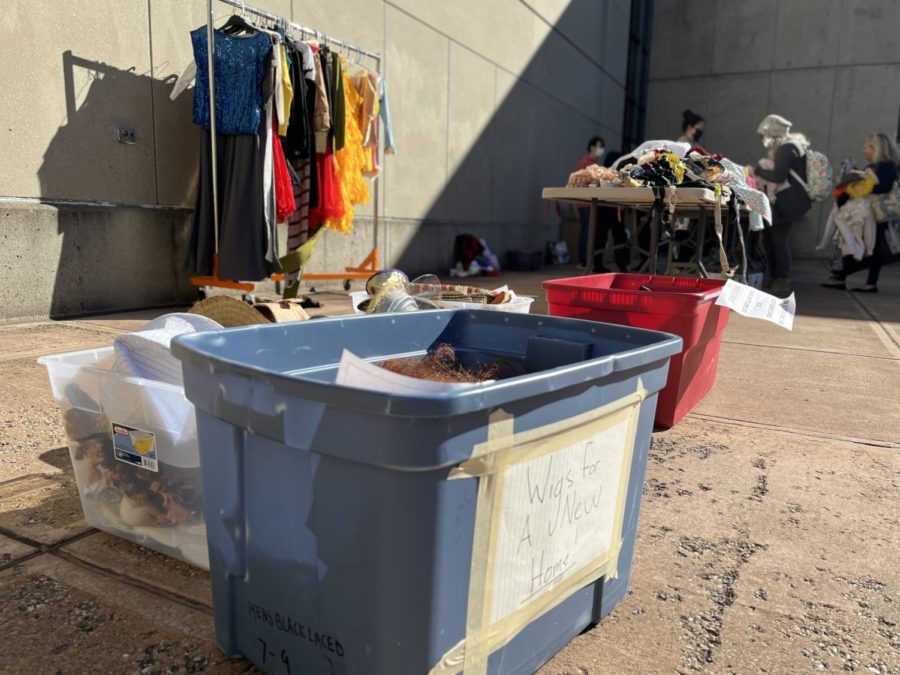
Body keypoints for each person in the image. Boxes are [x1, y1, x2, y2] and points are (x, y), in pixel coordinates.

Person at [822, 132, 900, 293]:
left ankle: (850, 278)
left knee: (871, 247)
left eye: (866, 147)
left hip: (880, 216)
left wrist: (859, 185)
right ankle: (846, 278)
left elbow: (882, 187)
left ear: (876, 148)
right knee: (868, 247)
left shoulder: (888, 167)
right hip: (869, 215)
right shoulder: (875, 167)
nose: (864, 150)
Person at [749, 114, 812, 296]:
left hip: (789, 203)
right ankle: (774, 277)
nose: (764, 140)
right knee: (770, 239)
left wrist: (757, 170)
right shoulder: (790, 146)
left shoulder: (788, 147)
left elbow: (778, 176)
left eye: (765, 135)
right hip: (784, 202)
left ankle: (782, 278)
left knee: (778, 240)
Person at [575, 136, 606, 267]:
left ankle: (586, 259)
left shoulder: (595, 164)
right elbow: (580, 183)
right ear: (592, 147)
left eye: (602, 147)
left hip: (592, 202)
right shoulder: (585, 162)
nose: (600, 149)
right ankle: (582, 259)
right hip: (585, 203)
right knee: (586, 232)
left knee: (590, 232)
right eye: (599, 146)